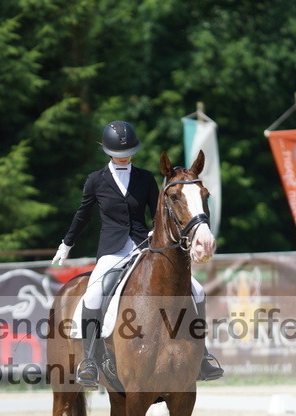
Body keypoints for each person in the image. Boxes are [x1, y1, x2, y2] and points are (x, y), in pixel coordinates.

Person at [52, 120, 223, 389]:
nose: (125, 157)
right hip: (111, 251)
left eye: (129, 151)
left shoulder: (144, 178)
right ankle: (89, 360)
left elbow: (160, 213)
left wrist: (166, 239)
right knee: (95, 293)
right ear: (108, 152)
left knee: (197, 290)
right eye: (120, 153)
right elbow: (82, 215)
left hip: (143, 245)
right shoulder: (96, 180)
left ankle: (202, 354)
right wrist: (67, 244)